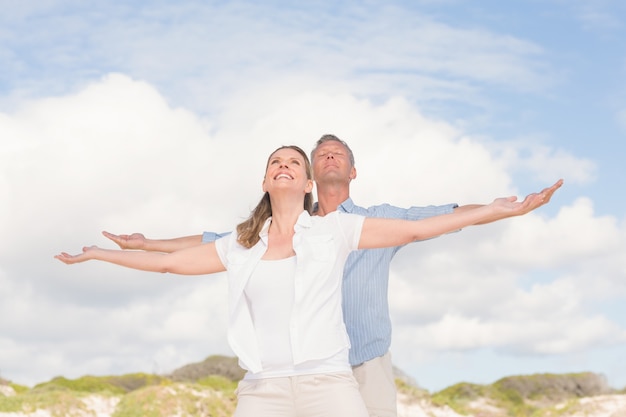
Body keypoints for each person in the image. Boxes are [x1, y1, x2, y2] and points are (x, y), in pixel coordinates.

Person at [103, 135, 563, 417]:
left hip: (361, 365)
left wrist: (499, 209)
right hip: (288, 375)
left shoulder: (370, 222)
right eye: (319, 153)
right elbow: (211, 242)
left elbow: (436, 219)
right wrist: (148, 244)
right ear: (308, 178)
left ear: (351, 170)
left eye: (337, 153)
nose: (328, 156)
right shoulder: (275, 232)